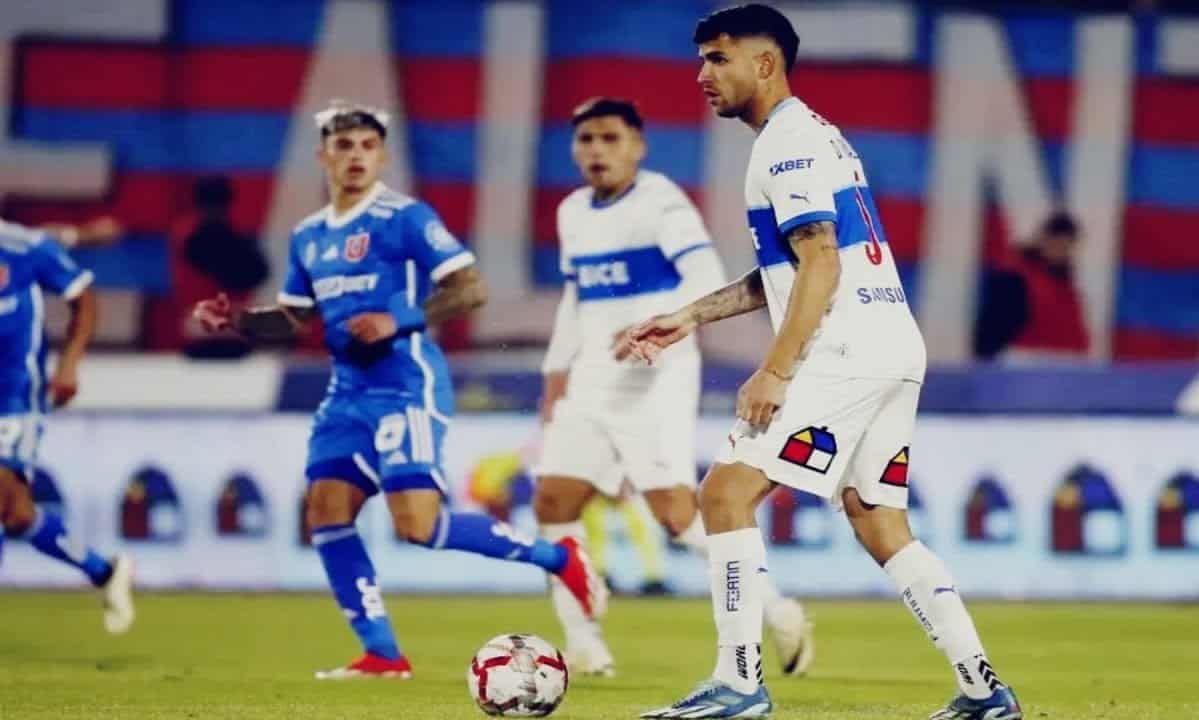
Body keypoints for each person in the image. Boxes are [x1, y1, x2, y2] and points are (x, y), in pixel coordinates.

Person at [623, 6, 1022, 719]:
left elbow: (821, 263)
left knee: (724, 495)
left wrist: (775, 369)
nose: (702, 75)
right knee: (878, 520)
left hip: (844, 349)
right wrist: (688, 316)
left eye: (718, 58)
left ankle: (738, 684)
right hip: (891, 346)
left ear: (765, 64)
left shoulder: (786, 146)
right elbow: (782, 268)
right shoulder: (811, 137)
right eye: (701, 60)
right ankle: (982, 690)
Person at [193, 101, 605, 680]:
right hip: (346, 394)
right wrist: (238, 319)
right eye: (344, 146)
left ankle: (558, 557)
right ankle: (383, 652)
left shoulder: (404, 217)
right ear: (323, 157)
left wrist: (399, 319)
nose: (356, 156)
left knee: (419, 527)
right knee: (326, 513)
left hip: (407, 384)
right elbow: (293, 318)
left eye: (366, 146)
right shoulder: (309, 236)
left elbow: (470, 288)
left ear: (382, 155)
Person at [534, 97, 813, 679]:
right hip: (591, 377)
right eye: (586, 140)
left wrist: (650, 324)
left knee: (676, 514)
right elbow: (574, 298)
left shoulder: (661, 202)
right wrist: (555, 376)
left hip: (654, 374)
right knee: (553, 503)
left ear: (637, 145)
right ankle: (583, 642)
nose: (597, 151)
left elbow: (706, 278)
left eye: (610, 139)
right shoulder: (572, 212)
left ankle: (779, 610)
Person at [0, 217, 135, 634]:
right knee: (17, 515)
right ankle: (103, 570)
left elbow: (84, 297)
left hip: (16, 397)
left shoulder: (23, 248)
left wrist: (70, 363)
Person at [974, 211, 1088, 362]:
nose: (1061, 251)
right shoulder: (1013, 278)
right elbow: (990, 335)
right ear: (1043, 239)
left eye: (1067, 246)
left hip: (1065, 368)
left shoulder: (1065, 282)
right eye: (1057, 243)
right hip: (1024, 366)